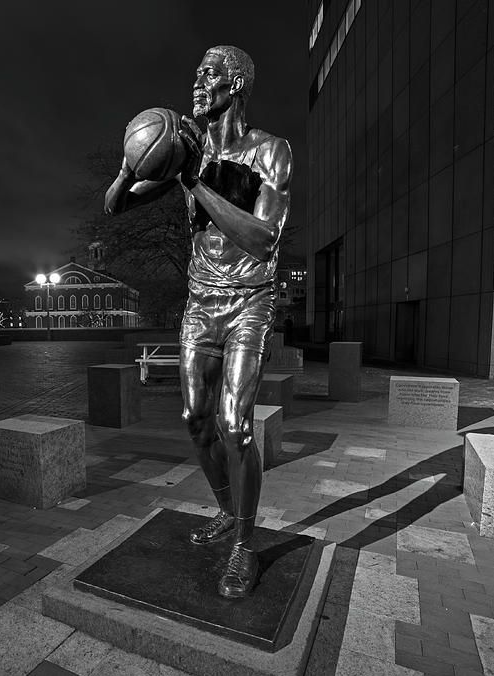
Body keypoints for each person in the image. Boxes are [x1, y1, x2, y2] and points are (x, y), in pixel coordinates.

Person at [104, 45, 292, 598]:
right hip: (200, 301)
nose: (196, 84)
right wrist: (131, 165)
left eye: (207, 75)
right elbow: (116, 205)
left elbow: (263, 240)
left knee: (236, 424)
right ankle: (227, 511)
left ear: (234, 85)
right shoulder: (190, 146)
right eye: (195, 74)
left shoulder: (270, 151)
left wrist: (195, 181)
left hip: (249, 300)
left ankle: (245, 545)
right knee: (194, 416)